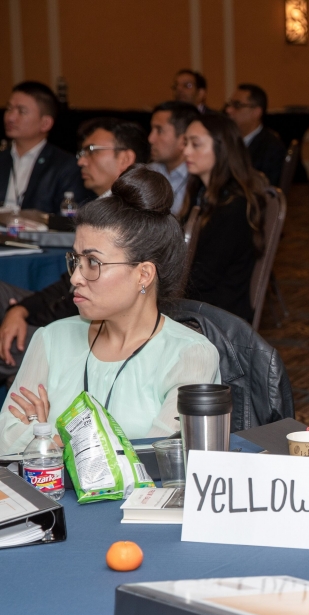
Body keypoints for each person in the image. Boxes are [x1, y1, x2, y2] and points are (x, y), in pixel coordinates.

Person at [0, 166, 220, 455]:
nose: (76, 277)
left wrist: (44, 433)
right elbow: (4, 444)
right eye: (75, 260)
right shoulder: (51, 339)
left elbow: (156, 461)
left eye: (93, 262)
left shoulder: (190, 355)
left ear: (143, 274)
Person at [0, 118, 149, 367]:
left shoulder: (129, 217)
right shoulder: (102, 207)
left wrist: (26, 316)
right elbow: (67, 285)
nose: (80, 160)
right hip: (74, 310)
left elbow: (84, 300)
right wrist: (22, 309)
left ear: (125, 159)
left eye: (91, 151)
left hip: (90, 327)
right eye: (81, 152)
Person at [180, 112, 267, 322]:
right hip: (203, 303)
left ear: (221, 148)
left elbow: (203, 277)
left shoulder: (235, 207)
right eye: (185, 143)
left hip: (218, 316)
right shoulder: (202, 193)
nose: (186, 151)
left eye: (195, 144)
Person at [0, 81, 90, 214]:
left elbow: (68, 220)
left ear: (45, 123)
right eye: (9, 109)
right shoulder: (2, 158)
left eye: (21, 111)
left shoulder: (66, 166)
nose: (10, 117)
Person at [224, 84, 287, 187]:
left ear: (256, 112)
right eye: (229, 104)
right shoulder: (225, 140)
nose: (229, 110)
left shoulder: (272, 147)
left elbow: (267, 190)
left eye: (237, 105)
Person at [148, 101, 199, 216]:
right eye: (151, 130)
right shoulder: (147, 173)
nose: (151, 139)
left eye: (159, 130)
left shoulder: (200, 180)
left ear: (183, 139)